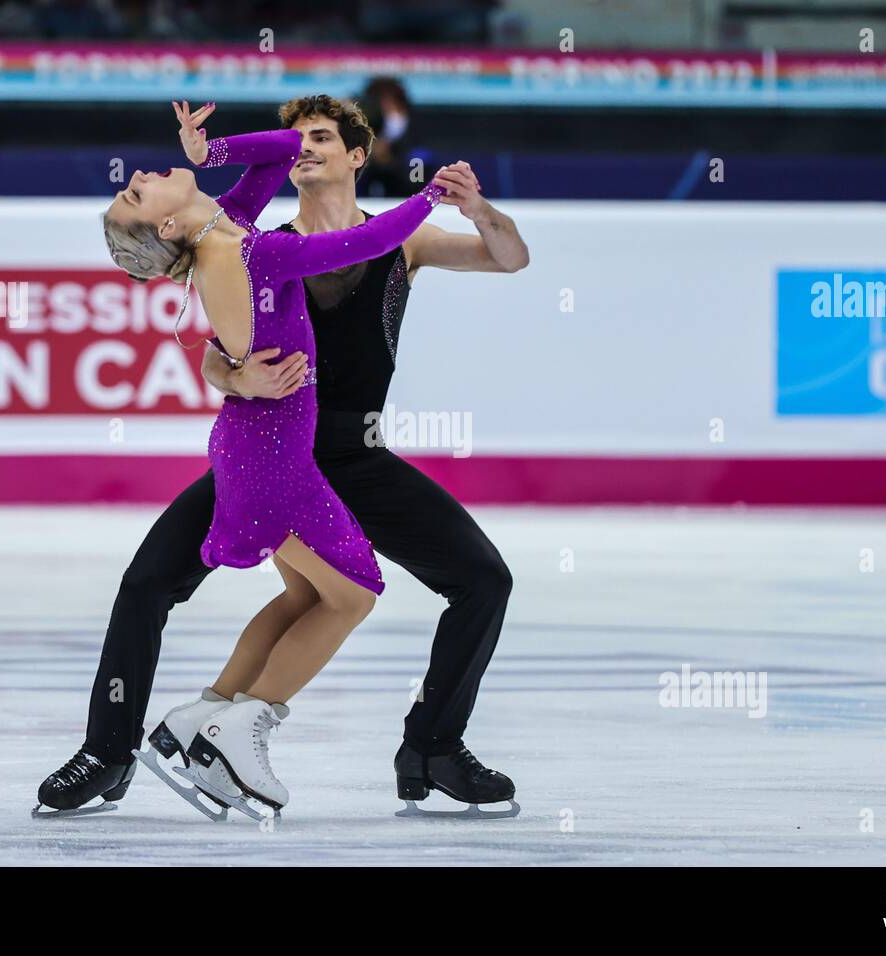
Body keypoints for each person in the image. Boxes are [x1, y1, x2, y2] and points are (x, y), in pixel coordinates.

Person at [37, 93, 529, 817]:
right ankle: (110, 752)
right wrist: (234, 374)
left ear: (357, 156)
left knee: (482, 579)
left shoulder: (401, 243)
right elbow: (216, 351)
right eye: (296, 138)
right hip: (271, 448)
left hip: (352, 457)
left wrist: (476, 207)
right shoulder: (254, 240)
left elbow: (511, 257)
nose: (304, 147)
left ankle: (431, 745)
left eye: (322, 137)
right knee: (148, 583)